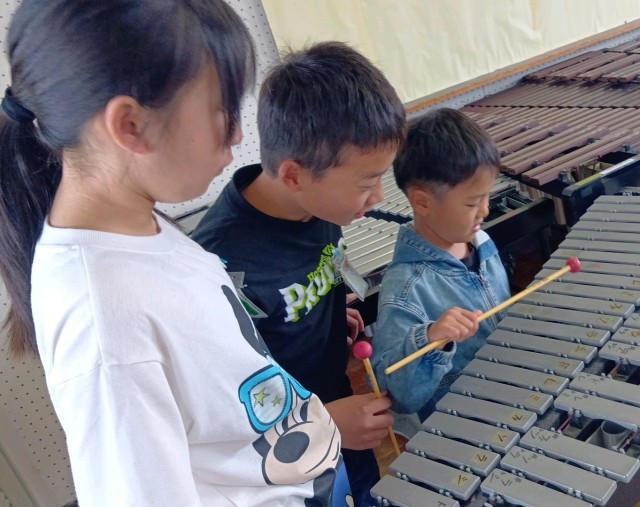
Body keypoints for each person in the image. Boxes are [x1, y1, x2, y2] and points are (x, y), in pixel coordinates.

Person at [0, 1, 352, 505]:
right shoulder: (104, 322)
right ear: (130, 125)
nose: (237, 134)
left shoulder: (139, 226)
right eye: (222, 111)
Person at [192, 41, 406, 506]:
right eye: (367, 182)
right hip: (287, 453)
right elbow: (225, 411)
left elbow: (309, 276)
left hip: (337, 406)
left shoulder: (318, 205)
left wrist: (324, 309)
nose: (377, 197)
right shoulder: (221, 266)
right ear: (294, 176)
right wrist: (325, 424)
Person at [371, 108, 511, 429]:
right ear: (422, 202)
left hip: (508, 394)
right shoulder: (406, 288)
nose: (485, 210)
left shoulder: (480, 240)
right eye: (472, 203)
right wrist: (430, 338)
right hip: (464, 424)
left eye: (487, 197)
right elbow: (398, 394)